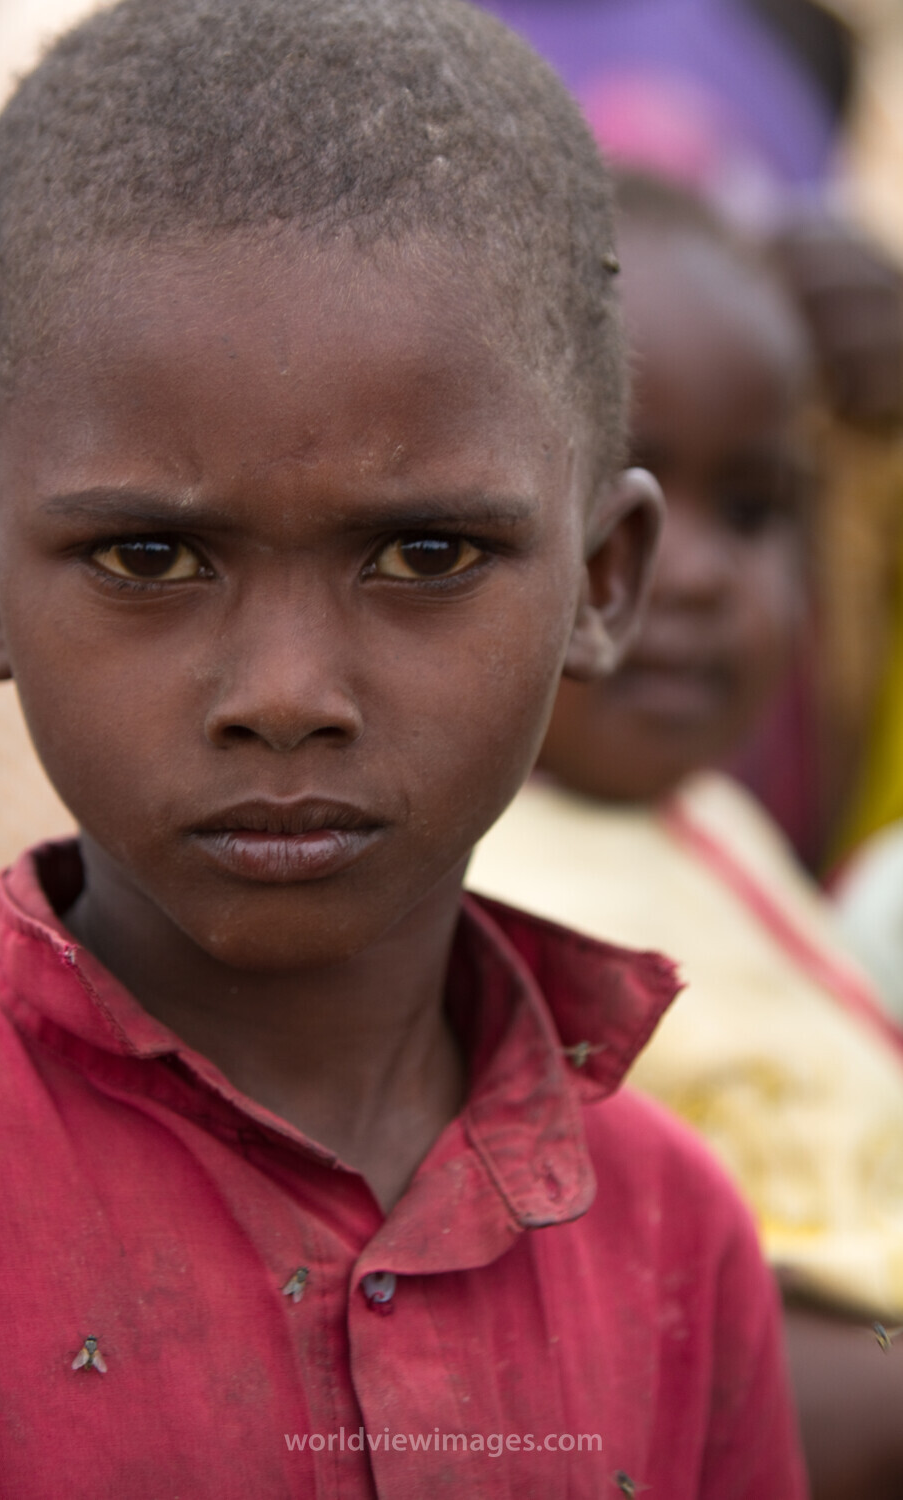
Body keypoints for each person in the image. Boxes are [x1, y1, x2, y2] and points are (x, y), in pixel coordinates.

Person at [0, 3, 806, 1495]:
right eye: (148, 557)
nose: (286, 692)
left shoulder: (677, 1241)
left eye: (426, 551)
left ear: (605, 581)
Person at [469, 172, 903, 1500]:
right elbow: (632, 1375)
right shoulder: (471, 899)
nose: (703, 573)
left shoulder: (701, 816)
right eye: (619, 510)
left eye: (759, 510)